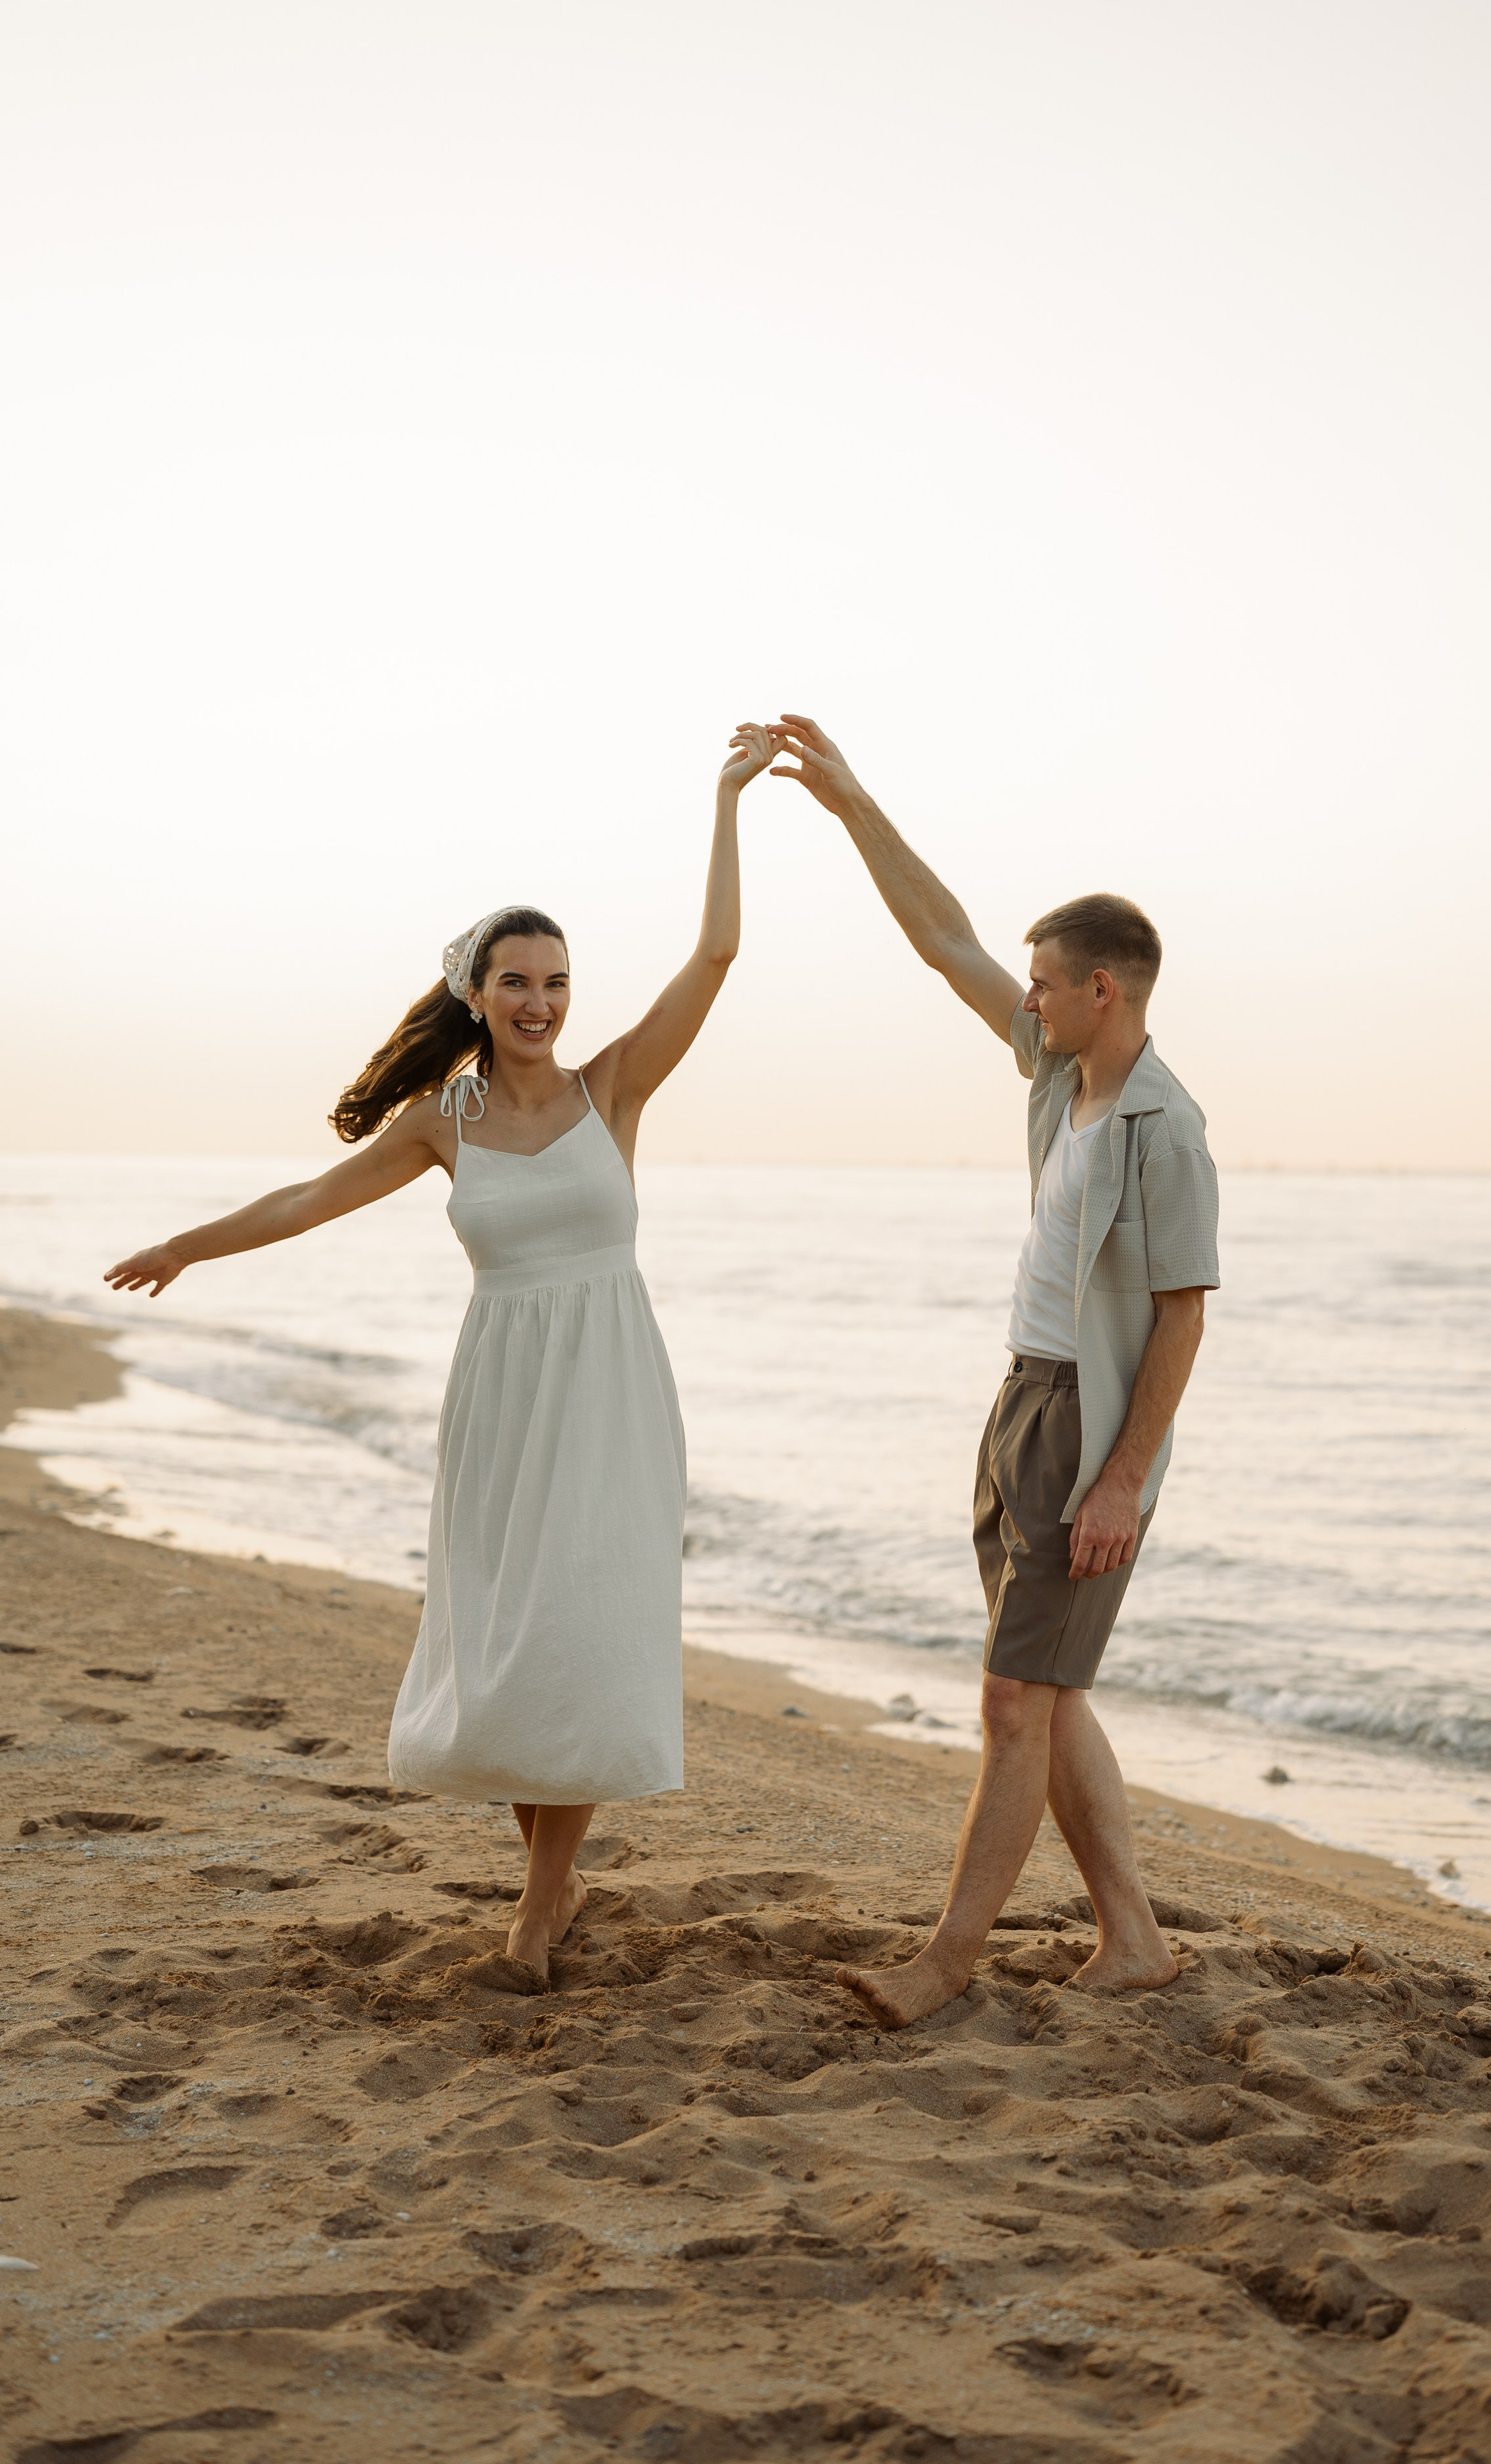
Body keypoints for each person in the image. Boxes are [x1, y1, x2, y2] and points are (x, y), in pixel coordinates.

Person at [103, 723, 781, 1989]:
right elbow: (305, 1199)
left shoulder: (614, 1091)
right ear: (477, 994)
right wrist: (189, 1245)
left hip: (611, 1392)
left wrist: (728, 800)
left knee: (584, 1627)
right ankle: (558, 1874)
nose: (541, 1004)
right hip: (501, 1400)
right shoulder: (439, 1125)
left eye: (558, 983)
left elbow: (719, 953)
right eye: (519, 982)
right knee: (515, 1641)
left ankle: (538, 1903)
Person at [770, 714, 1218, 2028]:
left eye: (1045, 982)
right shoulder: (1058, 1074)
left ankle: (945, 1964)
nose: (1022, 995)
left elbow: (1185, 1318)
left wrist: (1124, 1477)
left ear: (1107, 991)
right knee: (1048, 1688)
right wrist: (854, 806)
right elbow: (944, 938)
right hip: (1024, 1400)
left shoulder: (1165, 1129)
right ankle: (1132, 1937)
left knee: (1014, 1701)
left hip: (1091, 1431)